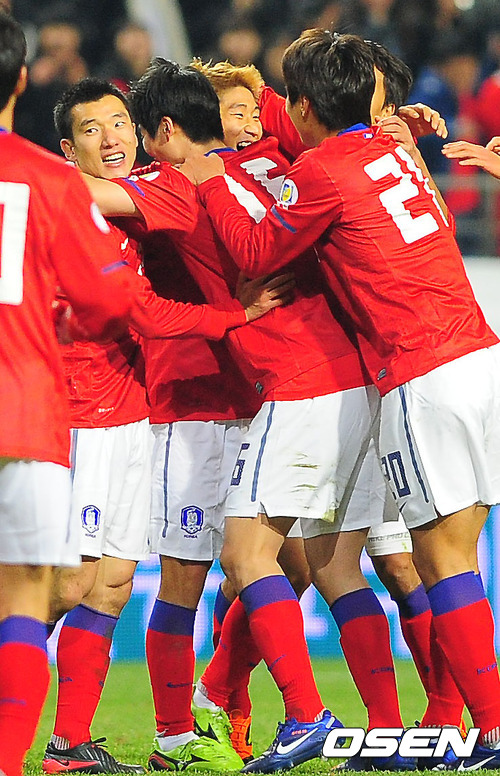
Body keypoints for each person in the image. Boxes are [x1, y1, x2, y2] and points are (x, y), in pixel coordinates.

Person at [182, 29, 500, 771]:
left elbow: (258, 253)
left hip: (420, 369)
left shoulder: (323, 169)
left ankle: (489, 730)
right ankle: (465, 725)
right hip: (477, 351)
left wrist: (209, 177)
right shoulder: (394, 149)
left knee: (439, 561)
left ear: (301, 107)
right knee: (447, 557)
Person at [42, 76, 289, 775]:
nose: (111, 138)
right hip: (79, 412)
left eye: (120, 123)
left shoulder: (151, 191)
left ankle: (68, 746)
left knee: (114, 582)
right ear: (68, 150)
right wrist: (232, 316)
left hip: (130, 409)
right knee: (66, 586)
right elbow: (140, 311)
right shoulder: (70, 209)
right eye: (92, 129)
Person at [0, 12, 137, 776]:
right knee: (29, 598)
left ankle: (63, 745)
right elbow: (109, 300)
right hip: (28, 409)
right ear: (22, 78)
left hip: (92, 414)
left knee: (96, 580)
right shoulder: (49, 180)